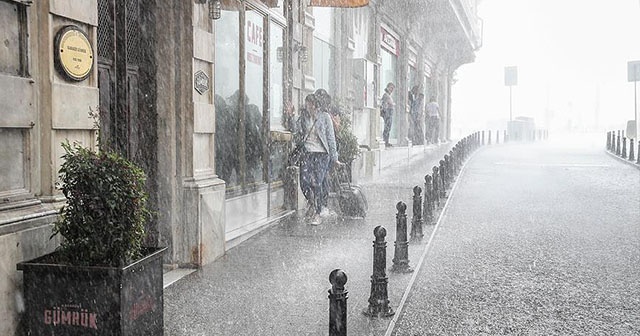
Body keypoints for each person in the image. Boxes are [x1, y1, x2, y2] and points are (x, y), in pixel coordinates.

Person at [285, 94, 342, 225]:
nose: (307, 106)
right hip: (307, 153)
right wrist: (291, 115)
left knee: (317, 183)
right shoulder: (304, 117)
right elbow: (295, 131)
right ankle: (312, 202)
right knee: (304, 181)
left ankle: (317, 213)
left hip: (322, 155)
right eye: (306, 103)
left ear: (315, 105)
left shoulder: (325, 117)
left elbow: (330, 138)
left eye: (309, 104)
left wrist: (335, 158)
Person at [380, 82, 396, 147]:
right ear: (388, 87)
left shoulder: (388, 95)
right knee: (387, 128)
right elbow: (384, 105)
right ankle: (385, 141)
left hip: (389, 113)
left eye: (393, 89)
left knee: (388, 128)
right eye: (391, 88)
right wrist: (385, 112)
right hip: (387, 114)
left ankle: (386, 141)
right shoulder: (385, 95)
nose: (392, 90)